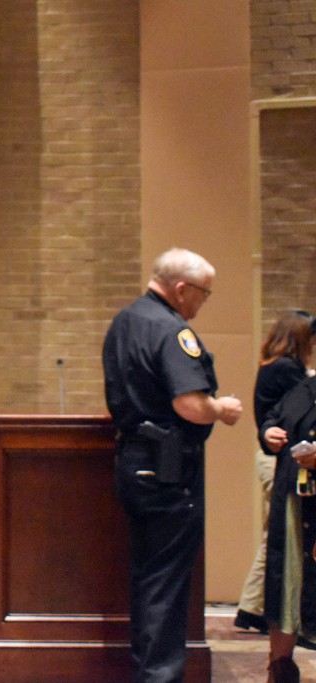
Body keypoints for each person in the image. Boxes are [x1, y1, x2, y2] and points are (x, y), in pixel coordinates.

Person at [102, 246, 243, 683]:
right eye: (204, 293)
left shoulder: (125, 322)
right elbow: (188, 404)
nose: (203, 302)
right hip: (168, 470)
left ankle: (148, 673)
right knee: (165, 585)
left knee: (148, 579)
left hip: (133, 460)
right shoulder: (171, 330)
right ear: (182, 289)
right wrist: (221, 408)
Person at [235, 312, 315, 637]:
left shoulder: (273, 364)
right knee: (279, 536)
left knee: (275, 535)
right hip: (284, 462)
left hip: (276, 457)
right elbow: (302, 403)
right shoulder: (287, 370)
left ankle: (252, 607)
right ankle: (257, 608)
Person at [258, 359, 316, 681]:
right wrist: (269, 433)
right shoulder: (302, 389)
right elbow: (272, 418)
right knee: (285, 587)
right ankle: (279, 668)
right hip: (294, 505)